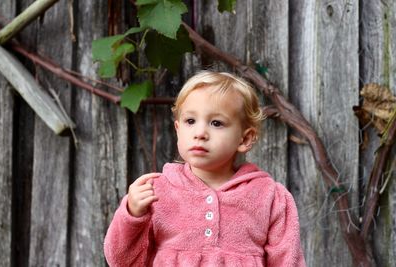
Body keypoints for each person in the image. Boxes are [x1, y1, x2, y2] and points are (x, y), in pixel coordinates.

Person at [104, 71, 306, 266]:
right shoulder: (156, 192)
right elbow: (121, 261)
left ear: (244, 139)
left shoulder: (269, 196)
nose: (200, 133)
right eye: (190, 121)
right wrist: (132, 215)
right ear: (178, 129)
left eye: (216, 123)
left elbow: (288, 261)